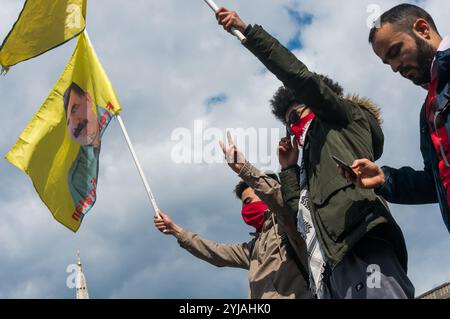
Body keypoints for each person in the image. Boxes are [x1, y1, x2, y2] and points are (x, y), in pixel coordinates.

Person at [214, 8, 414, 299]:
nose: (292, 127)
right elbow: (298, 215)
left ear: (316, 104)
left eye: (295, 116)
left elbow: (301, 79)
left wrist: (249, 34)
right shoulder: (309, 160)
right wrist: (289, 169)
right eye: (286, 123)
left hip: (360, 244)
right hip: (329, 266)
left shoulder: (339, 119)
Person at [154, 137, 313, 299]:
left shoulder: (290, 226)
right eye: (244, 204)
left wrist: (243, 169)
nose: (246, 209)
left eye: (249, 201)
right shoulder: (254, 249)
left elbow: (277, 199)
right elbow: (216, 252)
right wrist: (176, 230)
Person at [344, 4, 450, 234]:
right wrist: (384, 179)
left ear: (422, 29)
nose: (394, 68)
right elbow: (436, 184)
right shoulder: (428, 112)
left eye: (395, 51)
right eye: (387, 62)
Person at [63, 82, 113, 219]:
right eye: (68, 122)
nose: (74, 123)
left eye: (74, 109)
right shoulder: (76, 178)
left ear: (88, 99)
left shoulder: (109, 108)